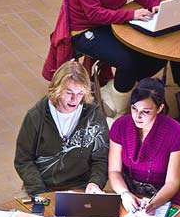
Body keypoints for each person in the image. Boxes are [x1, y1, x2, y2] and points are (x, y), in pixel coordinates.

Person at [14, 61, 109, 196]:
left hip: (81, 186)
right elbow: (23, 160)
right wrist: (39, 191)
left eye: (80, 93)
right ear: (57, 90)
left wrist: (95, 183)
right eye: (69, 92)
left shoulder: (94, 115)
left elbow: (101, 159)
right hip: (42, 186)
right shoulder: (36, 116)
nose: (74, 99)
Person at [108, 78, 180, 214]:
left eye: (146, 111)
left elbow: (172, 183)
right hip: (128, 197)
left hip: (163, 199)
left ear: (160, 108)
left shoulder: (177, 133)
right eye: (134, 108)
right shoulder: (120, 126)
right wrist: (125, 194)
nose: (137, 116)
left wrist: (153, 203)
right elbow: (114, 171)